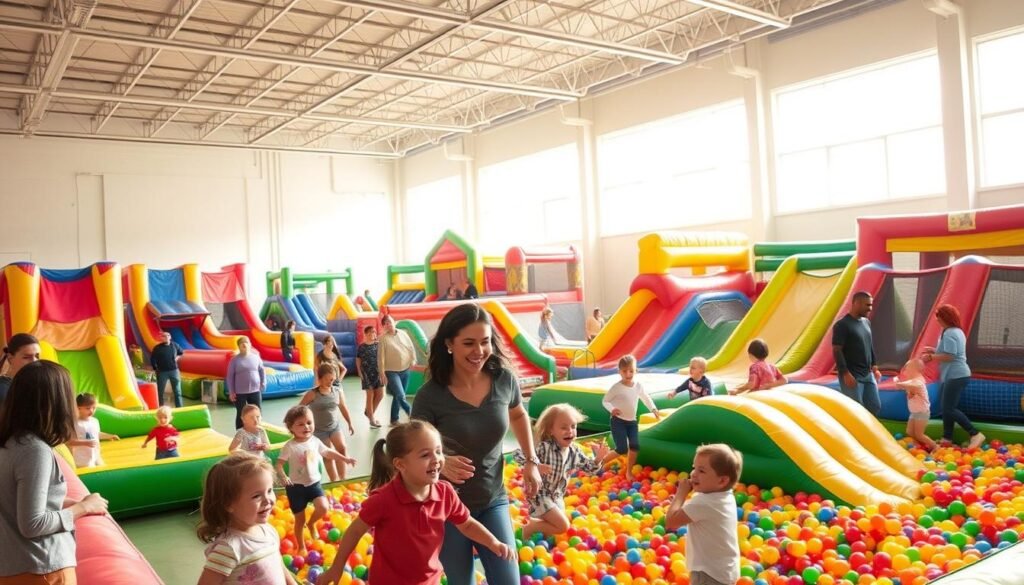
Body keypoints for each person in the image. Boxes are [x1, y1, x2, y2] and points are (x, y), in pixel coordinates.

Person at [411, 303, 542, 585]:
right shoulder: (430, 396)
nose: (479, 351)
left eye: (485, 342)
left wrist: (531, 461)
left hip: (492, 499)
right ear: (449, 344)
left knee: (508, 580)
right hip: (446, 507)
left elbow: (518, 414)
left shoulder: (504, 380)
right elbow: (411, 452)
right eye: (469, 343)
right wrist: (441, 462)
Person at [315, 421, 514, 585]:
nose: (436, 459)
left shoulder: (445, 493)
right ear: (400, 464)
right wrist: (337, 567)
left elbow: (467, 524)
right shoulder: (385, 499)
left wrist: (493, 542)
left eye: (438, 451)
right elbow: (355, 531)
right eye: (425, 455)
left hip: (429, 580)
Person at [0, 361, 109, 583]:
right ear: (57, 402)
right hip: (41, 568)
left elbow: (16, 499)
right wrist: (84, 507)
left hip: (14, 566)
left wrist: (71, 502)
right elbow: (33, 523)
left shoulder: (10, 442)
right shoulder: (33, 450)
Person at [196, 452, 299, 585]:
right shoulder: (229, 548)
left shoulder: (268, 530)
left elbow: (279, 565)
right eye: (256, 496)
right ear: (228, 504)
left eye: (269, 490)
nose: (267, 500)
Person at [513, 404, 610, 539]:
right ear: (551, 430)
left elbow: (589, 469)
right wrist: (535, 465)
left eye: (573, 426)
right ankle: (531, 527)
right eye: (564, 428)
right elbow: (518, 454)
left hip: (557, 496)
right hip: (540, 495)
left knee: (551, 531)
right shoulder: (544, 448)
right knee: (563, 526)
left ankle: (536, 527)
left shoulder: (574, 451)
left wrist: (598, 458)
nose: (570, 431)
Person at [274, 405, 355, 556]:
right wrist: (284, 476)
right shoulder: (289, 446)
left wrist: (345, 458)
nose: (306, 427)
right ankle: (301, 546)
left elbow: (328, 452)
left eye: (309, 422)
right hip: (296, 488)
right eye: (300, 424)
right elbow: (278, 464)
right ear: (291, 428)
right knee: (299, 520)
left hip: (314, 484)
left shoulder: (315, 441)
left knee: (323, 507)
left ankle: (311, 523)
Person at [665, 444, 743, 585]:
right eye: (694, 467)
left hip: (708, 573)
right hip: (726, 570)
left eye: (701, 471)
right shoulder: (726, 495)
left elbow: (671, 521)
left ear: (722, 481)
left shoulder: (704, 502)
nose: (693, 474)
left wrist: (680, 494)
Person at [921, 304, 984, 449]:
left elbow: (951, 356)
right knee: (946, 408)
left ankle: (975, 434)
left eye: (939, 317)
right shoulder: (957, 331)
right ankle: (947, 438)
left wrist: (931, 357)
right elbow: (951, 351)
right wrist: (934, 351)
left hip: (956, 375)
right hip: (955, 375)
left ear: (945, 318)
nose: (937, 320)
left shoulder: (949, 332)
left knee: (948, 408)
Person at [602, 354, 661, 482]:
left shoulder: (638, 385)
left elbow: (645, 397)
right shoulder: (617, 387)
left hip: (632, 422)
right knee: (622, 448)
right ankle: (600, 462)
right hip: (618, 421)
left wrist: (653, 409)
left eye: (631, 371)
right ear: (619, 372)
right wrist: (612, 409)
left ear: (636, 371)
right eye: (624, 371)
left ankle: (629, 472)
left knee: (634, 446)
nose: (628, 374)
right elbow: (605, 401)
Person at [299, 363, 355, 482]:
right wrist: (304, 425)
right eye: (327, 379)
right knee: (328, 455)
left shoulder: (337, 391)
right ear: (320, 379)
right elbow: (300, 408)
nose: (330, 382)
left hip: (334, 427)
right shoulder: (312, 394)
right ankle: (334, 480)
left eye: (332, 379)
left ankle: (342, 478)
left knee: (342, 448)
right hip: (319, 430)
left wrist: (350, 422)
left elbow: (343, 407)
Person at [832, 291, 882, 416]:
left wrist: (874, 366)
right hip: (852, 375)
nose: (870, 308)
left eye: (871, 305)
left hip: (867, 374)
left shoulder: (866, 322)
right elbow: (837, 350)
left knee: (874, 406)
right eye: (867, 305)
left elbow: (869, 344)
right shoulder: (842, 325)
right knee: (855, 410)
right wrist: (845, 373)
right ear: (856, 303)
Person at [377, 315, 415, 425]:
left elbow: (410, 347)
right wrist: (382, 373)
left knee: (398, 396)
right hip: (391, 371)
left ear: (394, 322)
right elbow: (380, 357)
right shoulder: (383, 338)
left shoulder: (403, 333)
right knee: (400, 395)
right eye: (386, 323)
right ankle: (412, 414)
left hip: (406, 369)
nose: (388, 324)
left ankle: (394, 419)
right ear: (384, 326)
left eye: (390, 322)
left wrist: (413, 360)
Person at [893, 358, 937, 451]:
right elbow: (909, 388)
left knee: (919, 434)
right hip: (914, 412)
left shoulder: (919, 380)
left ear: (914, 370)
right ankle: (920, 447)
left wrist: (900, 384)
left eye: (907, 369)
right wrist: (901, 385)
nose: (905, 372)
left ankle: (935, 446)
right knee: (909, 432)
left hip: (922, 412)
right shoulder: (912, 381)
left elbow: (915, 385)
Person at [69, 393, 119, 468]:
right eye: (88, 408)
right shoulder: (75, 423)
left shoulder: (94, 421)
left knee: (104, 469)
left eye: (94, 408)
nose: (91, 411)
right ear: (78, 408)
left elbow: (97, 434)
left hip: (96, 456)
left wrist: (110, 436)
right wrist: (85, 443)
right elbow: (69, 442)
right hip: (82, 459)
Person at [227, 337, 266, 430]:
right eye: (242, 343)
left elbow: (262, 370)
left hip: (255, 390)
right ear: (239, 346)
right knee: (241, 412)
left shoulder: (256, 357)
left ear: (250, 345)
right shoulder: (234, 360)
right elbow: (230, 376)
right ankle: (240, 432)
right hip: (240, 392)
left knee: (257, 411)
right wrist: (231, 392)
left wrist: (263, 382)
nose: (244, 344)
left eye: (246, 342)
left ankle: (257, 429)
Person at [0, 333, 41, 406]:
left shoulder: (38, 384)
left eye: (37, 356)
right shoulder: (3, 389)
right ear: (10, 358)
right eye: (26, 357)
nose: (34, 361)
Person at [356, 325, 384, 429]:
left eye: (374, 332)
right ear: (366, 334)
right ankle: (372, 419)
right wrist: (359, 372)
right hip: (366, 373)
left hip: (378, 372)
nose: (373, 334)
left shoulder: (378, 345)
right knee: (370, 395)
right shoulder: (361, 347)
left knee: (380, 395)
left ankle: (369, 412)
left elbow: (382, 358)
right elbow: (358, 359)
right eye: (371, 332)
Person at [150, 331, 184, 407]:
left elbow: (181, 352)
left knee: (177, 391)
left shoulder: (175, 345)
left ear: (170, 337)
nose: (165, 337)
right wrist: (155, 368)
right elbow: (152, 359)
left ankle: (179, 408)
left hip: (174, 371)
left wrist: (177, 358)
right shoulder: (157, 348)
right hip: (162, 372)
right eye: (163, 336)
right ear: (161, 338)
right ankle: (161, 407)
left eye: (167, 335)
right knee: (160, 391)